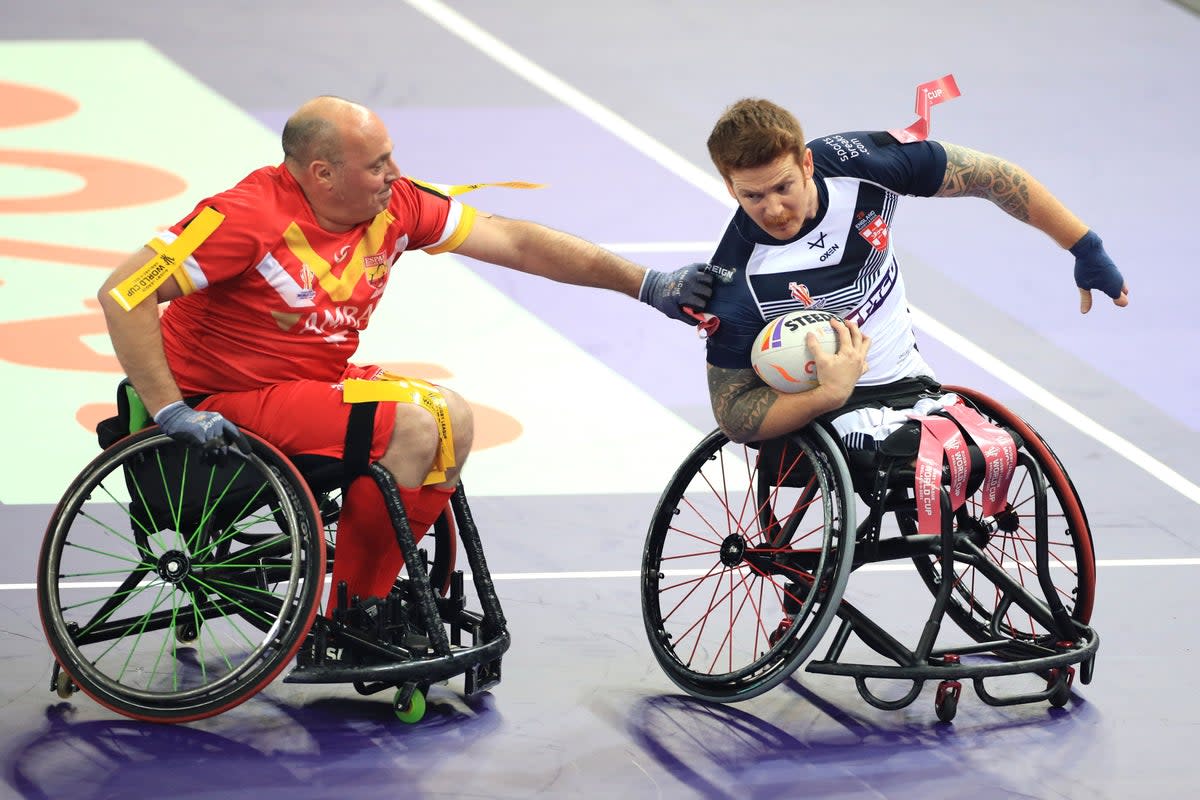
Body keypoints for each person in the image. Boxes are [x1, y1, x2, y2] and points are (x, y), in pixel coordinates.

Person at [97, 95, 712, 617]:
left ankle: (369, 593)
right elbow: (125, 294)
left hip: (304, 389)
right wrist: (169, 410)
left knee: (453, 418)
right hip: (218, 405)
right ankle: (358, 611)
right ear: (321, 174)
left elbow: (518, 242)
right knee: (412, 425)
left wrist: (644, 283)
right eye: (377, 164)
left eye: (391, 156)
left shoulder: (395, 206)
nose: (395, 172)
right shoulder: (244, 217)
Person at [698, 98, 1128, 448]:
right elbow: (735, 416)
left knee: (992, 454)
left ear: (807, 164)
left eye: (783, 187)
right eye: (752, 196)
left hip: (907, 380)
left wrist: (1083, 245)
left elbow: (992, 176)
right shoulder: (735, 273)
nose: (772, 209)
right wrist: (827, 394)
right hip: (820, 407)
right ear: (729, 187)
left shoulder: (866, 164)